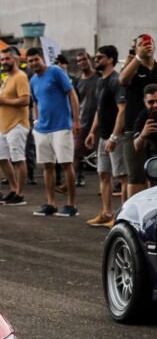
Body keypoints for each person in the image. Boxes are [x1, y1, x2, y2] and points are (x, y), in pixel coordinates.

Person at [119, 34, 157, 198]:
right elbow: (123, 80)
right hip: (135, 127)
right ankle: (133, 216)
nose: (146, 45)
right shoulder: (133, 68)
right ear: (136, 48)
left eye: (149, 43)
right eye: (141, 44)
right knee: (136, 175)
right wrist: (138, 57)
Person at [27, 47, 81, 217]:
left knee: (66, 164)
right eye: (30, 61)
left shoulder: (56, 71)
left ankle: (71, 204)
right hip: (42, 129)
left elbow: (71, 94)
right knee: (47, 166)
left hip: (62, 126)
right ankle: (51, 203)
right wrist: (35, 121)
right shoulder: (33, 80)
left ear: (42, 57)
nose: (34, 63)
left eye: (36, 59)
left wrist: (76, 120)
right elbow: (35, 101)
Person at [84, 46, 127, 227]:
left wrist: (114, 137)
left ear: (110, 59)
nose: (96, 60)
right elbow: (99, 110)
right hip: (103, 136)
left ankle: (123, 216)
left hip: (116, 137)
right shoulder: (100, 81)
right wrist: (92, 131)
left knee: (122, 177)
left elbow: (122, 110)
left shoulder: (116, 80)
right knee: (103, 174)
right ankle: (107, 213)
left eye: (100, 57)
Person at [0, 47, 31, 206]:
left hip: (17, 125)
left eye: (7, 59)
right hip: (4, 125)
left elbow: (25, 100)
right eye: (2, 59)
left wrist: (4, 101)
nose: (4, 62)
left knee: (18, 159)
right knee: (2, 158)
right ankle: (13, 189)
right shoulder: (7, 78)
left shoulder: (20, 77)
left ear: (15, 59)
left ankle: (20, 194)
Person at [73, 51, 99, 187]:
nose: (82, 62)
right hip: (83, 121)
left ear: (89, 60)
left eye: (84, 59)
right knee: (77, 152)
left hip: (99, 122)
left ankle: (106, 184)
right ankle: (74, 179)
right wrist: (75, 119)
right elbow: (76, 101)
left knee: (101, 154)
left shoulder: (99, 77)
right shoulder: (78, 81)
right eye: (79, 60)